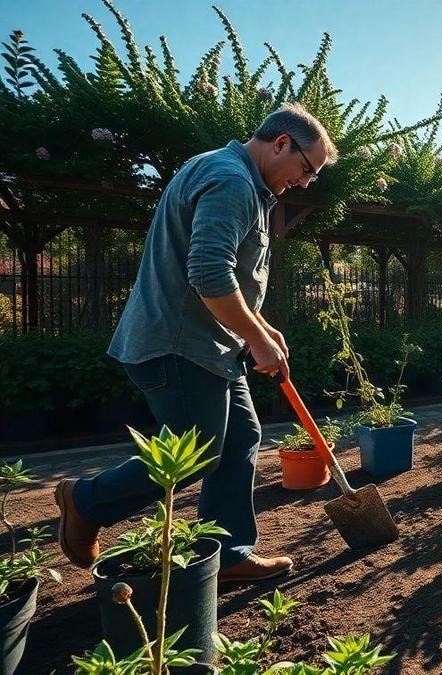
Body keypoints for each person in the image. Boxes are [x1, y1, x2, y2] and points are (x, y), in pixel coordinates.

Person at [55, 103, 337, 583]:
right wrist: (254, 336)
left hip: (210, 347)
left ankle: (228, 554)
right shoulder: (232, 181)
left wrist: (260, 328)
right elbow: (207, 273)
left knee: (241, 437)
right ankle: (84, 502)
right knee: (197, 451)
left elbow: (226, 277)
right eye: (307, 169)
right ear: (282, 143)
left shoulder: (230, 175)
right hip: (180, 345)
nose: (306, 182)